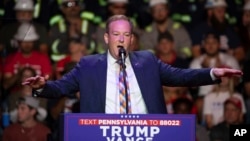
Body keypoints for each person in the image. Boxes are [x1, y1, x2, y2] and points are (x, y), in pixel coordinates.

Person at [22, 15, 243, 114]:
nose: (121, 39)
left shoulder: (147, 60)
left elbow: (182, 76)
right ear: (107, 38)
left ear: (131, 40)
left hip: (148, 132)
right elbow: (61, 88)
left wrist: (213, 72)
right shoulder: (88, 65)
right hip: (103, 133)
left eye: (126, 35)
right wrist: (41, 86)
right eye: (116, 34)